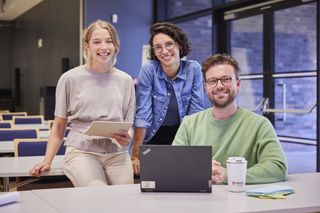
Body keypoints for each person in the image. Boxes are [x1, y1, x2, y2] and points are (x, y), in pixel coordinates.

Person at [30, 20, 135, 187]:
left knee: (127, 197)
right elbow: (58, 127)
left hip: (117, 153)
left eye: (109, 41)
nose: (103, 47)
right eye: (96, 42)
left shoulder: (126, 80)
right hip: (82, 152)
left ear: (116, 45)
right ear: (87, 46)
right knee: (97, 192)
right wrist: (47, 161)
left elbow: (128, 123)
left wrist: (127, 136)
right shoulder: (69, 78)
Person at [172, 53, 287, 184]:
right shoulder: (189, 123)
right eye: (212, 81)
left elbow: (278, 167)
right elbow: (174, 165)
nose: (219, 86)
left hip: (241, 200)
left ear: (238, 84)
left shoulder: (259, 125)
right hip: (200, 200)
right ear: (206, 88)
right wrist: (199, 167)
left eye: (226, 79)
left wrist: (230, 174)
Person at [131, 22, 204, 175]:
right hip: (153, 136)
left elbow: (195, 114)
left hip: (183, 136)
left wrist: (194, 151)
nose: (164, 51)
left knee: (183, 181)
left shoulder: (193, 69)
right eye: (158, 47)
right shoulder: (149, 69)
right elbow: (143, 114)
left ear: (179, 45)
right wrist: (136, 156)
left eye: (169, 44)